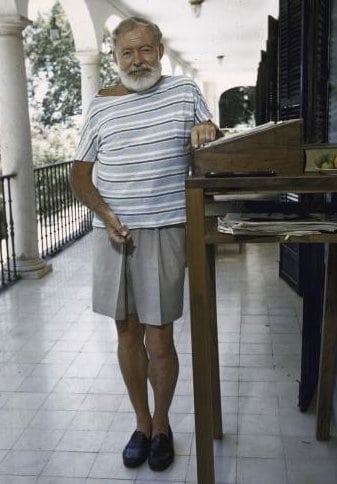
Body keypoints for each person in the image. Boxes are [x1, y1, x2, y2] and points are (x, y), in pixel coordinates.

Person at [71, 16, 220, 472]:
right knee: (127, 332)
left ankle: (162, 425)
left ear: (158, 49)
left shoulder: (184, 93)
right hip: (113, 232)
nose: (138, 61)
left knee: (159, 337)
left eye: (145, 50)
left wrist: (208, 131)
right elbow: (79, 172)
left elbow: (210, 143)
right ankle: (140, 424)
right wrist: (105, 213)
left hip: (167, 227)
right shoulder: (101, 105)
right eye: (127, 53)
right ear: (114, 58)